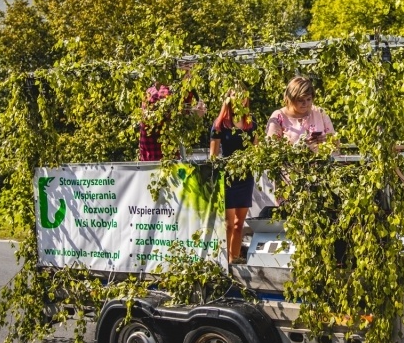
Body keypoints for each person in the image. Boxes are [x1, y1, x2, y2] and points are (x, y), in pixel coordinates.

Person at [210, 90, 258, 263]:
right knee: (228, 224)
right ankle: (224, 263)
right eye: (236, 94)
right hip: (227, 177)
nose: (241, 98)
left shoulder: (251, 124)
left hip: (246, 176)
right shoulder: (220, 124)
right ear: (229, 98)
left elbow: (256, 150)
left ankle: (234, 260)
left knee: (239, 224)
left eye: (243, 94)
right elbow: (213, 156)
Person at [139, 63, 207, 161]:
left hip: (154, 158)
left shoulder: (154, 90)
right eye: (188, 70)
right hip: (161, 159)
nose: (191, 74)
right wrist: (195, 115)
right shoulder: (164, 94)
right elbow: (176, 123)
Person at [266, 75, 335, 150]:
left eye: (308, 99)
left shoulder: (319, 113)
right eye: (300, 100)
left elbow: (335, 142)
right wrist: (299, 146)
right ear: (291, 99)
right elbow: (272, 149)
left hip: (322, 160)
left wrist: (327, 140)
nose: (305, 104)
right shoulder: (278, 117)